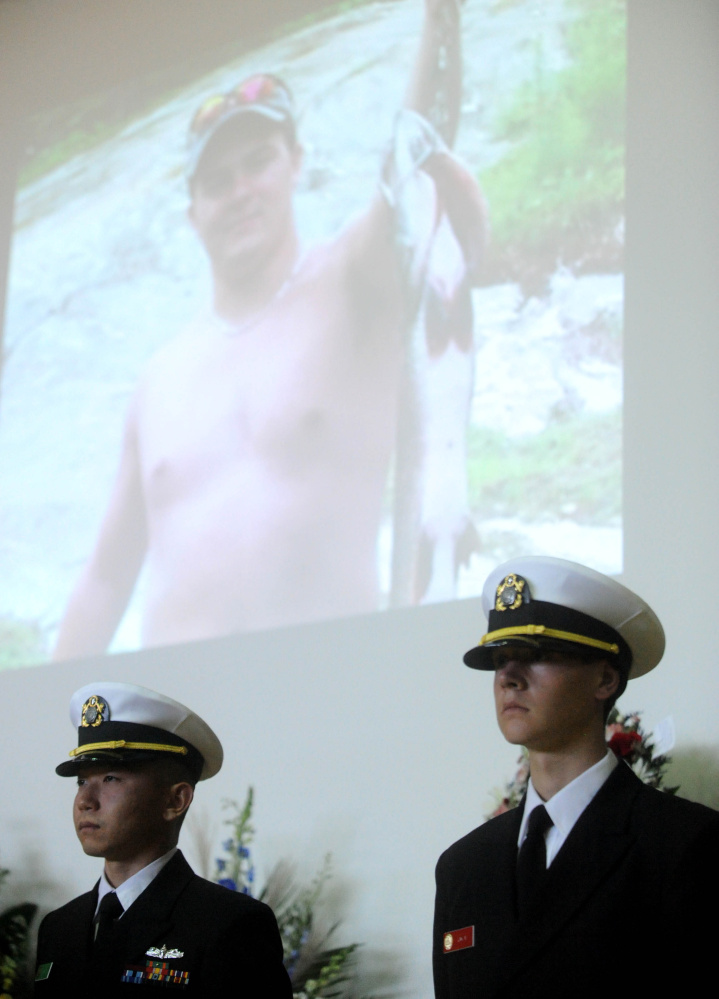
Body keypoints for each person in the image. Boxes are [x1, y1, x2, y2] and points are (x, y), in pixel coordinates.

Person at [52, 0, 486, 658]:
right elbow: (107, 577)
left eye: (257, 161)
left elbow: (417, 154)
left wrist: (437, 23)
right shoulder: (160, 376)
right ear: (193, 212)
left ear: (295, 164)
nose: (240, 189)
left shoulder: (354, 279)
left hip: (326, 687)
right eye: (218, 180)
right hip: (176, 730)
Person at [433, 555, 719, 998]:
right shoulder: (463, 868)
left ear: (605, 679)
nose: (508, 676)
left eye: (535, 655)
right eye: (499, 659)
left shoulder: (683, 844)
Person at [35, 681, 292, 997]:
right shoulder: (59, 927)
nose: (85, 800)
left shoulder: (230, 925)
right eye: (82, 780)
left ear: (175, 801)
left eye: (111, 778)